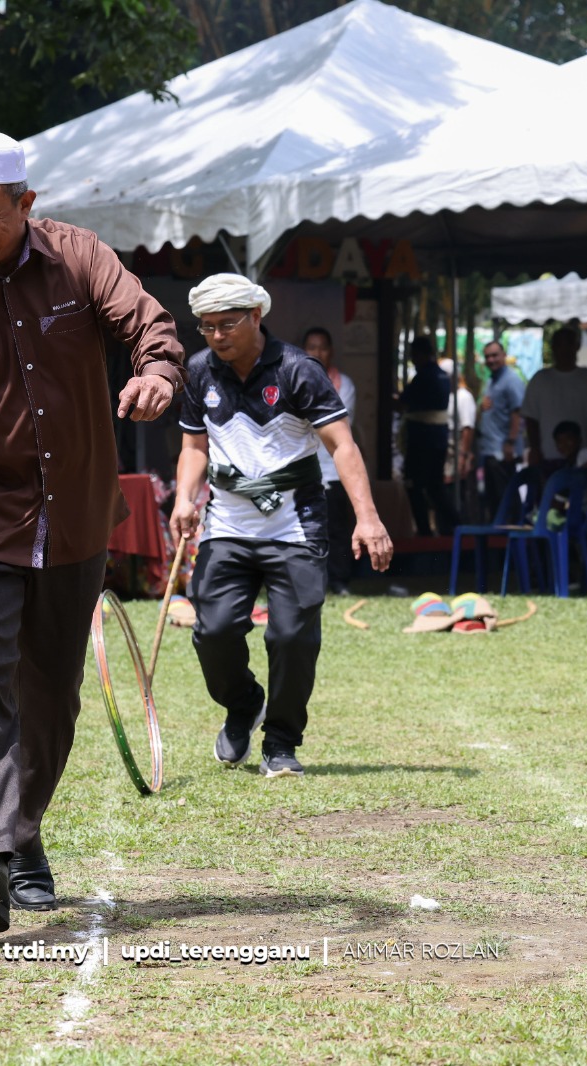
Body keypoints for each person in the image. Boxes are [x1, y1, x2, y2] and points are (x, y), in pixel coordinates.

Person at [0, 129, 185, 934]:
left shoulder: (79, 258)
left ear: (26, 204)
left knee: (50, 692)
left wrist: (156, 372)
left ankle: (18, 840)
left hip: (77, 512)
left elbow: (148, 326)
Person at [171, 274, 392, 778]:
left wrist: (368, 518)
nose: (217, 336)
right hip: (226, 524)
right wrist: (185, 498)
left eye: (227, 324)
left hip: (295, 526)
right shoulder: (200, 372)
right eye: (206, 327)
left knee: (294, 637)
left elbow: (343, 446)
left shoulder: (299, 371)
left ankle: (281, 741)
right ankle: (244, 704)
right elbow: (193, 447)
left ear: (256, 316)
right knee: (214, 631)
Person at [302, 326, 358, 594]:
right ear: (304, 351)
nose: (317, 352)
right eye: (312, 347)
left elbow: (335, 427)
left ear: (331, 351)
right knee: (305, 531)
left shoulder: (344, 384)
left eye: (322, 347)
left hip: (334, 470)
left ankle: (339, 580)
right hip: (302, 471)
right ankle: (312, 582)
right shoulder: (292, 379)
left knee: (336, 530)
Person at [522, 326, 587, 475]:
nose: (564, 349)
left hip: (583, 460)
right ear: (553, 347)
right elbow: (531, 419)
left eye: (568, 344)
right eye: (559, 344)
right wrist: (535, 449)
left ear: (576, 346)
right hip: (547, 459)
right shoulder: (539, 380)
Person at [398, 336, 457, 535]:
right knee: (435, 487)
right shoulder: (441, 375)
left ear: (420, 354)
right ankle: (455, 526)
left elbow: (403, 403)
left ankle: (425, 531)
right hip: (437, 439)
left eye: (414, 355)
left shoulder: (424, 376)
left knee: (415, 486)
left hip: (423, 440)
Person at [476, 339, 525, 520]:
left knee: (507, 500)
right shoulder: (490, 380)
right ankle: (498, 543)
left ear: (504, 355)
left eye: (495, 355)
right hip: (490, 449)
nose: (491, 360)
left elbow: (518, 412)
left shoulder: (511, 380)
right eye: (487, 356)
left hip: (503, 452)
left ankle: (512, 544)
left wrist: (510, 442)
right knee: (495, 501)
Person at [443, 359, 477, 519]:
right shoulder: (445, 395)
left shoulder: (463, 397)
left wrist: (463, 455)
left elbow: (467, 428)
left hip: (458, 448)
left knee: (457, 490)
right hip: (447, 449)